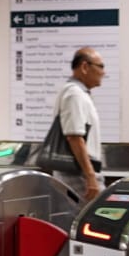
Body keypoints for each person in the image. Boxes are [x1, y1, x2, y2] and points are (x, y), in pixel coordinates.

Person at [52, 48, 106, 200]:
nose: (103, 72)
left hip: (80, 172)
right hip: (78, 174)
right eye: (100, 66)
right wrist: (90, 177)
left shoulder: (80, 93)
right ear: (84, 67)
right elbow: (74, 137)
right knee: (98, 218)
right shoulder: (74, 94)